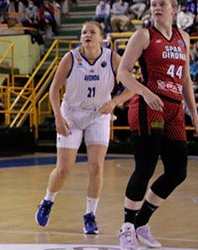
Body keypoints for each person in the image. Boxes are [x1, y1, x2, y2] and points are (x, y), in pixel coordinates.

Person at [116, 0, 198, 250]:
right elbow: (123, 72)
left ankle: (141, 222)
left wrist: (195, 116)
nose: (157, 8)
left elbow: (186, 81)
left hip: (174, 108)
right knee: (145, 167)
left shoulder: (183, 38)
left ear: (174, 9)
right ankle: (126, 227)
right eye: (153, 4)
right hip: (148, 105)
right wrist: (145, 92)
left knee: (178, 171)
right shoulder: (144, 35)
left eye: (162, 4)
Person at [36, 21, 132, 235]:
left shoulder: (112, 58)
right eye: (84, 32)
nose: (87, 35)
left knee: (96, 167)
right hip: (72, 115)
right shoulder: (70, 58)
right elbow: (53, 89)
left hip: (99, 115)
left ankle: (90, 215)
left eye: (92, 32)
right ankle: (47, 201)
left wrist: (115, 101)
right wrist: (58, 117)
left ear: (101, 37)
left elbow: (132, 87)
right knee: (63, 170)